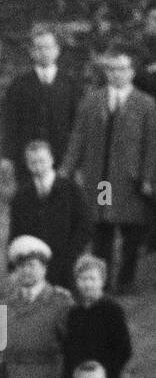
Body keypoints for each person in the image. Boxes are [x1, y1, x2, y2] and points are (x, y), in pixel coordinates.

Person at [60, 46, 156, 295]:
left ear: (132, 72)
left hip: (130, 180)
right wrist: (67, 170)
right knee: (101, 228)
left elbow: (151, 144)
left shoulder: (145, 105)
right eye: (111, 69)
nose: (116, 74)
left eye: (122, 69)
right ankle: (100, 280)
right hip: (102, 180)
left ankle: (125, 281)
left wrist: (147, 177)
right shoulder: (92, 100)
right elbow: (78, 137)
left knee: (132, 232)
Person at [0, 235, 74, 378]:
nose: (26, 271)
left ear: (44, 268)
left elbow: (72, 346)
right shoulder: (4, 306)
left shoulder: (61, 302)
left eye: (32, 265)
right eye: (20, 266)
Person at [0, 26, 82, 188]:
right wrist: (7, 156)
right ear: (31, 52)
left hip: (61, 156)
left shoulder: (70, 85)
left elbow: (77, 124)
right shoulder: (19, 84)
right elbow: (10, 122)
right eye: (38, 48)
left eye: (48, 47)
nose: (43, 52)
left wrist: (76, 158)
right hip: (27, 158)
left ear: (57, 50)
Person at [8, 141, 90, 289]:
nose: (38, 166)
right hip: (33, 264)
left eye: (42, 161)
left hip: (65, 262)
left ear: (51, 160)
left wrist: (72, 254)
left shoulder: (71, 190)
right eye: (33, 162)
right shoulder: (21, 196)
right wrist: (13, 265)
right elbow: (16, 232)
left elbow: (84, 225)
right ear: (27, 164)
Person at [59, 255, 132, 378]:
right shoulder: (74, 313)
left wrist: (104, 376)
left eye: (92, 279)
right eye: (83, 279)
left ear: (102, 281)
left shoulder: (113, 310)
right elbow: (68, 352)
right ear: (77, 282)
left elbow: (124, 349)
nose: (88, 284)